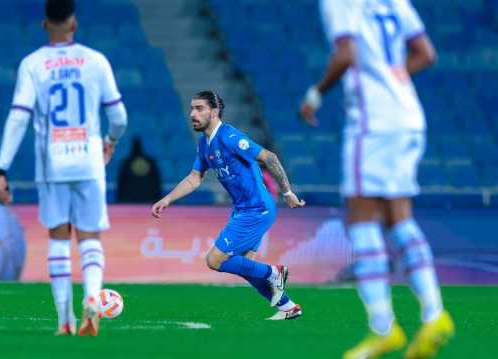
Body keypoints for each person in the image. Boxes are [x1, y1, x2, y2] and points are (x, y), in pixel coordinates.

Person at [298, 1, 453, 358]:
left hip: (373, 124)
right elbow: (426, 53)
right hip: (409, 116)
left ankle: (382, 326)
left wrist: (315, 95)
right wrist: (391, 78)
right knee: (399, 217)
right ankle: (434, 314)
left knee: (361, 219)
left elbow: (346, 53)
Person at [0, 0, 127, 336]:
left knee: (58, 237)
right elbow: (119, 117)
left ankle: (64, 320)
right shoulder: (96, 60)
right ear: (74, 24)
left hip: (52, 163)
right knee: (90, 236)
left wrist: (2, 168)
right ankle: (92, 309)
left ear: (44, 24)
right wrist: (110, 139)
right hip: (88, 161)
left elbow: (19, 116)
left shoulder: (32, 64)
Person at [151, 91, 305, 320]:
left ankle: (275, 272)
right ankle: (288, 307)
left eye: (200, 108)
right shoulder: (204, 143)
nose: (193, 114)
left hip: (257, 209)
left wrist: (287, 192)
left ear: (215, 111)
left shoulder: (230, 137)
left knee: (214, 260)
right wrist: (167, 199)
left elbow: (269, 157)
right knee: (244, 265)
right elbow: (194, 178)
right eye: (192, 108)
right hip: (243, 209)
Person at [116, 136, 162, 203]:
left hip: (130, 199)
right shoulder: (150, 161)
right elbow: (157, 181)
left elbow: (121, 182)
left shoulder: (126, 162)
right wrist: (158, 197)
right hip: (148, 198)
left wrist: (120, 199)